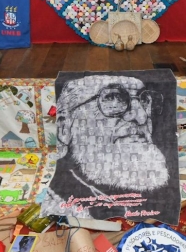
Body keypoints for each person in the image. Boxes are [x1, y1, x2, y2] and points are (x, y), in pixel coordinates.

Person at [41, 74, 170, 220]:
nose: (141, 117)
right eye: (112, 99)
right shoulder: (58, 204)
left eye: (144, 101)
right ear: (65, 128)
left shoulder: (162, 198)